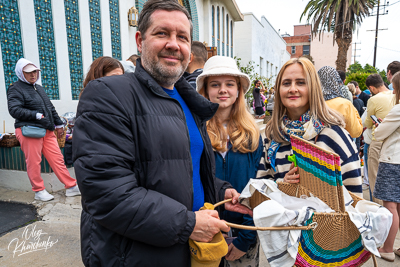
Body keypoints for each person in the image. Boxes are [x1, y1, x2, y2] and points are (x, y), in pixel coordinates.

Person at [72, 1, 250, 266]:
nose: (173, 44)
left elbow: (182, 169)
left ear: (190, 51)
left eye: (182, 37)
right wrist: (188, 223)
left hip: (191, 251)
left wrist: (221, 190)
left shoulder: (187, 101)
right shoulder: (107, 94)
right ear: (139, 41)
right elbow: (106, 191)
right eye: (162, 33)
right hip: (137, 256)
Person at [256, 58, 362, 197]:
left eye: (301, 82)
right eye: (286, 83)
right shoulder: (272, 136)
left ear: (314, 87)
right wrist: (282, 185)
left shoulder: (335, 136)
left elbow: (354, 199)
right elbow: (260, 186)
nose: (292, 89)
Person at [197, 56, 263, 266]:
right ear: (205, 91)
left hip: (246, 232)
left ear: (238, 92)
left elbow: (258, 189)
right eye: (215, 85)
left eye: (229, 84)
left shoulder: (252, 134)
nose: (222, 90)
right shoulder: (196, 132)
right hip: (205, 233)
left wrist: (246, 239)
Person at [7, 58, 80, 201]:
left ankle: (71, 186)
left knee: (58, 159)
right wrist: (35, 115)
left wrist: (59, 125)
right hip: (29, 130)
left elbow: (50, 108)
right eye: (29, 72)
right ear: (21, 73)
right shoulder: (15, 88)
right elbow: (14, 109)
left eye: (35, 71)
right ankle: (39, 190)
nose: (33, 75)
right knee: (34, 161)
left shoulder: (38, 88)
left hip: (47, 130)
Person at [372, 72, 400, 262]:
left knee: (390, 206)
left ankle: (387, 248)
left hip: (393, 160)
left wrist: (379, 126)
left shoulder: (398, 109)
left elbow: (379, 133)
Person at [364, 74, 395, 204]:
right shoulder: (395, 94)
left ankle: (378, 210)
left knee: (374, 178)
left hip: (377, 141)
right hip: (394, 142)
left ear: (372, 88)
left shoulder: (374, 99)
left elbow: (368, 123)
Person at [318, 66, 363, 139]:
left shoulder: (312, 102)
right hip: (339, 147)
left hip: (315, 148)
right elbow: (355, 132)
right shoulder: (345, 104)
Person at [348, 83, 364, 154]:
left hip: (350, 126)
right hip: (358, 125)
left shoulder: (348, 103)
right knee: (357, 144)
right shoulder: (360, 101)